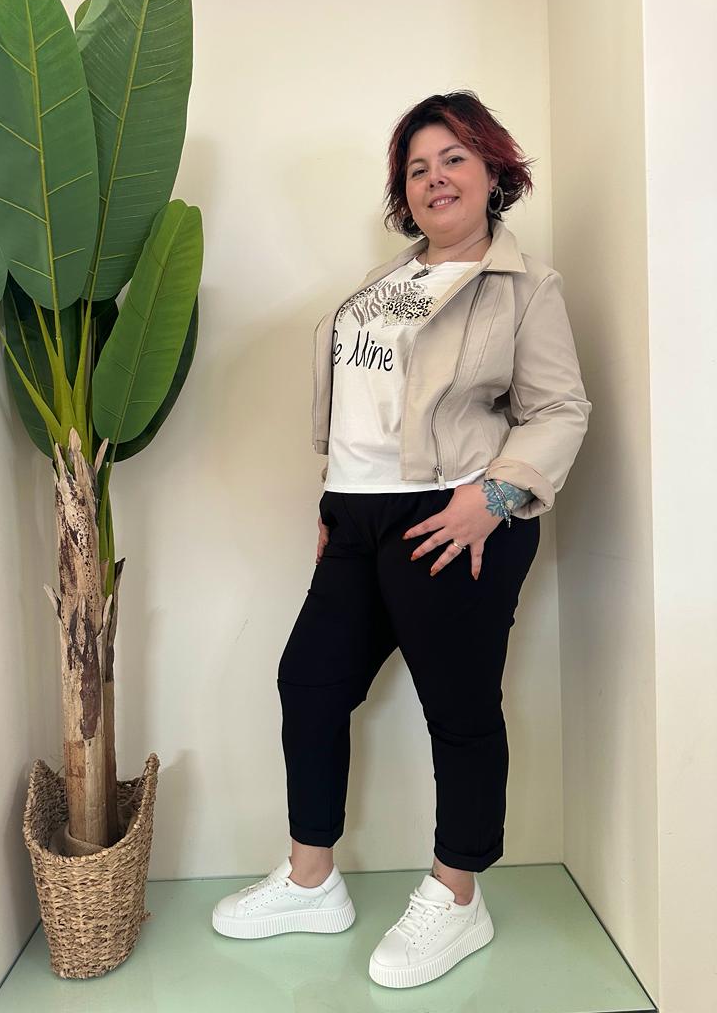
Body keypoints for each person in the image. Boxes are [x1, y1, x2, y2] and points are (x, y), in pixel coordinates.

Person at [212, 90, 592, 990]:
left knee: (458, 710)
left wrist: (493, 496)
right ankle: (312, 882)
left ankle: (458, 895)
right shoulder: (387, 282)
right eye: (418, 167)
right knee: (310, 683)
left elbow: (560, 408)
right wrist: (336, 496)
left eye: (454, 158)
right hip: (357, 515)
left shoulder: (523, 286)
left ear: (494, 171)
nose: (435, 178)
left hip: (452, 520)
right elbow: (366, 405)